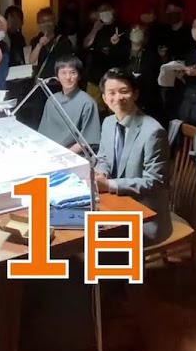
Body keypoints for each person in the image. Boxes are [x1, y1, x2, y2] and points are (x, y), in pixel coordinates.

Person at [92, 69, 172, 244]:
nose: (118, 98)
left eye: (124, 91)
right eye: (111, 93)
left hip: (146, 217)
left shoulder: (153, 132)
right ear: (104, 98)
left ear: (135, 94)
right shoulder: (108, 123)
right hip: (117, 204)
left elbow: (155, 181)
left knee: (97, 242)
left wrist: (109, 185)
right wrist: (101, 174)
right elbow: (103, 158)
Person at [37, 56, 102, 155]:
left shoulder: (88, 103)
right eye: (63, 73)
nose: (68, 77)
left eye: (72, 73)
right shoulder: (52, 100)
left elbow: (86, 141)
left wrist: (63, 154)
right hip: (49, 151)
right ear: (57, 77)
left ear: (79, 76)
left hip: (73, 155)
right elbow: (42, 133)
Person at [114, 23, 164, 125]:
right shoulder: (122, 51)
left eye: (139, 30)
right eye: (134, 30)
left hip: (145, 98)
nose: (136, 32)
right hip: (125, 94)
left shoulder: (151, 54)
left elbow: (155, 77)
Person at [82, 0, 124, 112]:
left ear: (113, 10)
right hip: (95, 76)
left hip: (114, 77)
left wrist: (116, 44)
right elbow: (86, 44)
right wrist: (95, 30)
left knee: (114, 111)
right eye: (100, 11)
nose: (103, 13)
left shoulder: (121, 27)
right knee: (92, 110)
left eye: (106, 9)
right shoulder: (94, 26)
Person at [29, 7, 76, 80]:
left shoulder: (63, 41)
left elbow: (69, 64)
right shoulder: (35, 41)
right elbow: (32, 61)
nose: (46, 24)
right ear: (38, 24)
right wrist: (39, 45)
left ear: (54, 22)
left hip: (58, 81)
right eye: (43, 22)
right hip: (42, 82)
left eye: (49, 21)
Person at [152, 0, 194, 64]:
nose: (172, 13)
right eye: (169, 10)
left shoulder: (189, 31)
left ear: (181, 11)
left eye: (175, 10)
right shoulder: (162, 31)